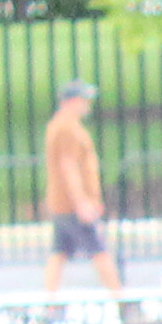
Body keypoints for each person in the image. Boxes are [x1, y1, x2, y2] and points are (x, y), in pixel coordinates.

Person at [39, 79, 116, 301]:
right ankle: (120, 299)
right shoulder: (66, 128)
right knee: (99, 251)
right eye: (83, 100)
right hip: (72, 205)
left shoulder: (63, 125)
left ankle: (49, 301)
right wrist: (82, 202)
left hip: (63, 203)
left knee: (59, 253)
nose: (87, 104)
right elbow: (68, 166)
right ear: (71, 101)